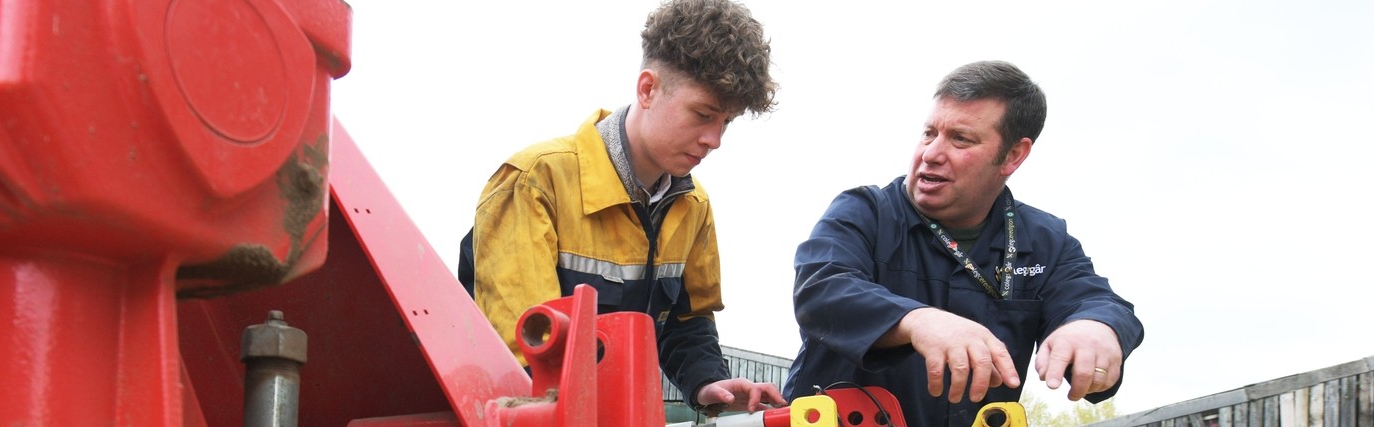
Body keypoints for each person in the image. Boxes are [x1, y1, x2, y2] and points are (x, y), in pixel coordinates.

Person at [455, 0, 786, 415]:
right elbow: (531, 356)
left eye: (726, 122)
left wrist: (708, 382)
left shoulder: (694, 207)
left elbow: (687, 323)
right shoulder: (535, 182)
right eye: (703, 115)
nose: (714, 139)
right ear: (647, 89)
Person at [785, 61, 1145, 426]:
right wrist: (916, 321)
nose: (931, 153)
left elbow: (1096, 300)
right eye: (929, 133)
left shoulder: (1046, 241)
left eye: (960, 139)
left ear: (1012, 156)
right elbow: (822, 288)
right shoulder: (865, 212)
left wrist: (1098, 326)